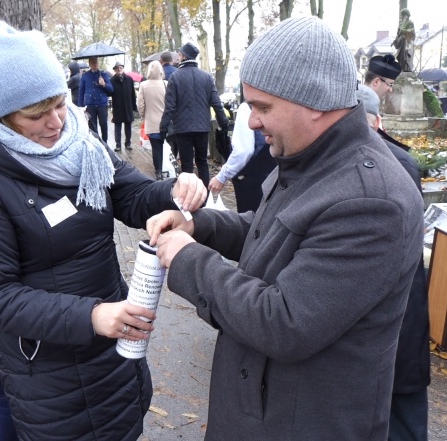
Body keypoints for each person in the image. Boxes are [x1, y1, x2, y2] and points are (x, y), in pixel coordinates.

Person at [147, 16, 423, 440]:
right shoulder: (312, 158)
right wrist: (198, 224)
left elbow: (285, 321)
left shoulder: (371, 199)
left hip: (302, 422)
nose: (252, 122)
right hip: (264, 407)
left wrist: (189, 259)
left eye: (263, 107)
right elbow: (268, 234)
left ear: (314, 102)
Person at [0, 20, 207, 441]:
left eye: (59, 103)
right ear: (3, 115)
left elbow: (131, 196)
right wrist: (90, 316)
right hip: (48, 364)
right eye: (36, 114)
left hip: (113, 339)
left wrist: (174, 192)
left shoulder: (81, 142)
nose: (55, 122)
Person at [357, 84, 430, 441]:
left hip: (395, 307)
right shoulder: (398, 159)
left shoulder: (391, 163)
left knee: (401, 408)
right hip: (397, 305)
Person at [159, 42, 229, 190]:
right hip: (202, 127)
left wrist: (163, 128)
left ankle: (188, 195)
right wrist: (223, 122)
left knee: (187, 165)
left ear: (184, 56)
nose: (177, 56)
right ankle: (204, 195)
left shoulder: (175, 78)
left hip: (183, 129)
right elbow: (216, 103)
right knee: (202, 162)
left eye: (179, 54)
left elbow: (170, 107)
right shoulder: (207, 77)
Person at [208, 88, 277, 213]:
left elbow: (243, 151)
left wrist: (222, 176)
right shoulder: (280, 104)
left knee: (250, 222)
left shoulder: (247, 108)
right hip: (275, 175)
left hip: (251, 179)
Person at [137, 60, 168, 180]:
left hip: (151, 123)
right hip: (165, 122)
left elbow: (140, 105)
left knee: (156, 148)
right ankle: (169, 167)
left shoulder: (144, 85)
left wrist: (144, 116)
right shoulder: (166, 83)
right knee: (166, 146)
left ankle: (158, 172)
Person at [78, 56, 113, 143]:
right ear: (89, 64)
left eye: (96, 62)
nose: (95, 64)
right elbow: (81, 91)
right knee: (93, 127)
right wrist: (80, 107)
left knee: (104, 124)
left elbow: (111, 89)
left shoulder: (103, 75)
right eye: (93, 62)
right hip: (90, 105)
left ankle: (105, 142)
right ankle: (96, 143)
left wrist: (104, 84)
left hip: (102, 104)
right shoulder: (85, 76)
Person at [110, 61, 137, 152]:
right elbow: (109, 93)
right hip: (117, 107)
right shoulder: (112, 80)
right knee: (117, 127)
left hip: (128, 106)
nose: (119, 69)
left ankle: (128, 143)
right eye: (117, 68)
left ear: (123, 68)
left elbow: (133, 94)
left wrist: (134, 107)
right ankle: (118, 145)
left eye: (120, 67)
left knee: (128, 126)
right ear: (114, 70)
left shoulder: (129, 79)